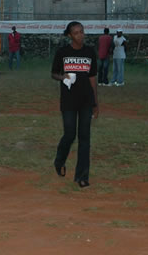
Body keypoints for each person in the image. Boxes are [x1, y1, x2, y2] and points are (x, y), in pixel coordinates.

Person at [51, 21, 98, 188]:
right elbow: (54, 73)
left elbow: (92, 78)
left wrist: (95, 103)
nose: (80, 35)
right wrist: (63, 77)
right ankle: (59, 160)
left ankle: (82, 176)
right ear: (70, 35)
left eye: (82, 31)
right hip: (69, 101)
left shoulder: (90, 52)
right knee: (70, 134)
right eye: (76, 33)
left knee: (85, 138)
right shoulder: (63, 53)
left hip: (86, 101)